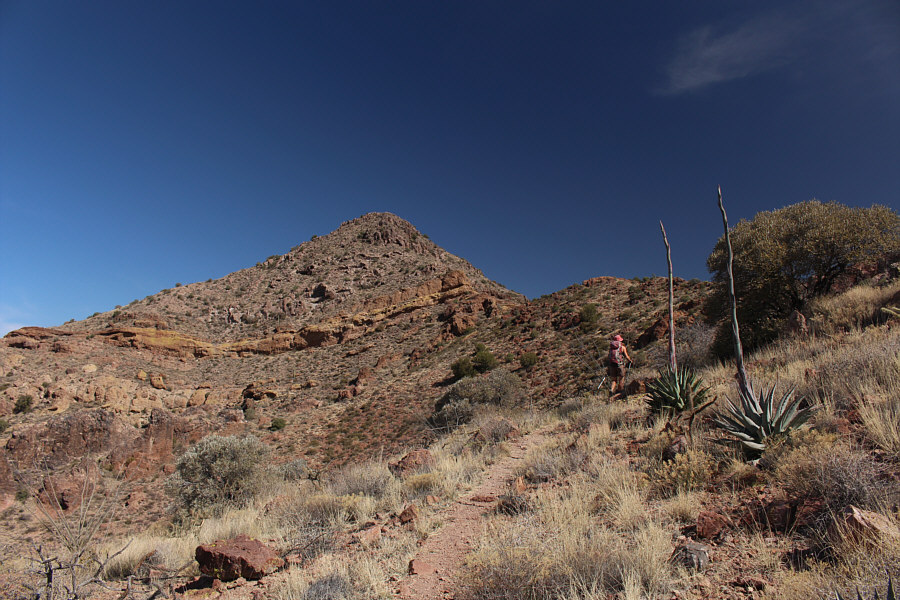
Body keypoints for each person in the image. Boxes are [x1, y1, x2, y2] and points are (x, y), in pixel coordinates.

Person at [607, 334, 632, 399]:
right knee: (621, 378)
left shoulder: (611, 348)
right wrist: (630, 361)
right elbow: (626, 356)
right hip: (619, 365)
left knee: (614, 380)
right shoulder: (622, 347)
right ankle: (619, 392)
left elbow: (608, 357)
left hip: (612, 365)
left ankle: (611, 390)